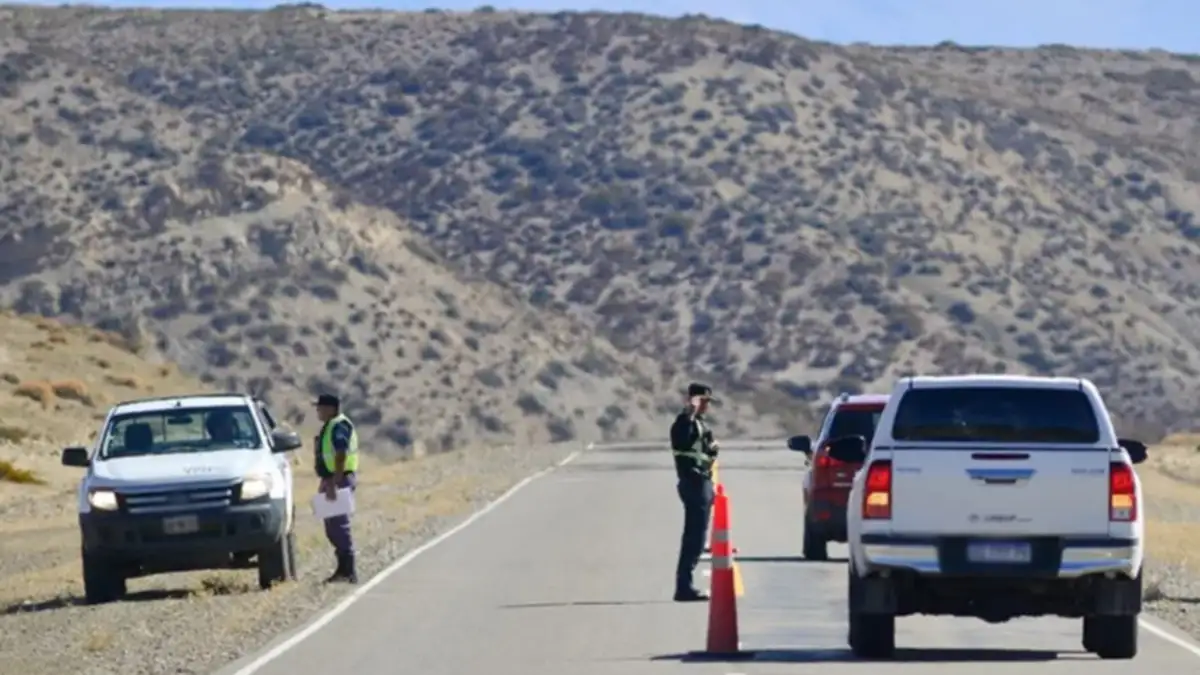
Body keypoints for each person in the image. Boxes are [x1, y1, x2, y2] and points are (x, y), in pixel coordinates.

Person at [669, 382, 720, 602]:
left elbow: (702, 450)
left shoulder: (700, 424)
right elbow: (682, 438)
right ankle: (684, 586)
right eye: (703, 401)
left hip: (702, 483)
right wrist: (690, 410)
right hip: (693, 483)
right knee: (694, 538)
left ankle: (685, 584)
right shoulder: (684, 423)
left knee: (698, 536)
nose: (706, 405)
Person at [313, 394, 360, 584]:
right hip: (331, 479)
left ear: (331, 408)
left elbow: (341, 452)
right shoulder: (331, 425)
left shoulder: (339, 425)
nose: (318, 411)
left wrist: (335, 480)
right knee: (332, 526)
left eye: (320, 407)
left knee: (339, 525)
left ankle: (348, 570)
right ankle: (342, 569)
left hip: (338, 479)